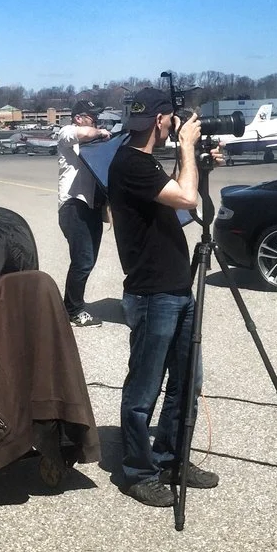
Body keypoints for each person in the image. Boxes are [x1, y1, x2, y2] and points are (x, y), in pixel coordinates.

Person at [104, 89, 220, 508]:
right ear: (160, 121)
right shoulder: (130, 163)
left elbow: (181, 204)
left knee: (188, 380)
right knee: (144, 389)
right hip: (153, 293)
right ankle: (138, 471)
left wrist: (198, 164)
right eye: (172, 120)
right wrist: (187, 148)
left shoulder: (142, 159)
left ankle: (172, 459)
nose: (175, 126)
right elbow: (186, 200)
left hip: (175, 287)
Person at [54, 101, 113, 326]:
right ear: (78, 118)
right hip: (73, 206)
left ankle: (73, 304)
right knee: (82, 260)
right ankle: (74, 310)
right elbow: (85, 133)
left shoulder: (94, 142)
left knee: (88, 260)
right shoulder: (67, 133)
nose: (96, 121)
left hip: (91, 208)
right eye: (92, 117)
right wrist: (100, 132)